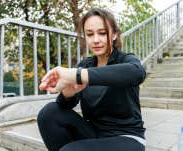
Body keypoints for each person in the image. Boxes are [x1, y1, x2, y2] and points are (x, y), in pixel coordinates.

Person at [37, 8, 146, 151]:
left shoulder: (125, 60)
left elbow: (137, 73)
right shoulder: (85, 65)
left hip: (126, 138)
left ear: (114, 35)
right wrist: (68, 93)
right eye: (89, 34)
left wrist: (78, 75)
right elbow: (63, 106)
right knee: (49, 112)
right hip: (93, 134)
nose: (96, 40)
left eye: (102, 33)